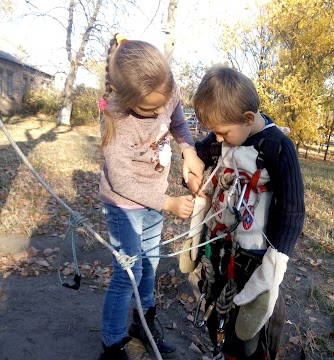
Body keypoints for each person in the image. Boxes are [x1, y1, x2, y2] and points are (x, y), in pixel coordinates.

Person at [184, 66, 305, 360]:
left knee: (250, 329)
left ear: (248, 119)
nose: (217, 139)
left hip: (255, 260)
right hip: (219, 249)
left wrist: (274, 265)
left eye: (222, 132)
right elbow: (196, 156)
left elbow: (293, 212)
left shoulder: (277, 147)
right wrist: (189, 171)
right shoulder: (225, 137)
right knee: (217, 311)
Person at [97, 34, 204, 360]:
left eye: (163, 102)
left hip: (153, 199)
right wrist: (169, 202)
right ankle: (112, 344)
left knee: (149, 266)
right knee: (127, 273)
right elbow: (122, 181)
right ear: (124, 96)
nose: (160, 110)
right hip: (124, 205)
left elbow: (178, 120)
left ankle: (143, 325)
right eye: (150, 107)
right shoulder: (117, 119)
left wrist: (188, 149)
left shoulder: (167, 90)